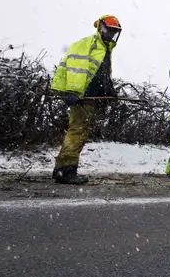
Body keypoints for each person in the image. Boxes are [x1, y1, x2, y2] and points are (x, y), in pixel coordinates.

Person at [50, 14, 122, 184]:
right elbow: (77, 67)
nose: (111, 35)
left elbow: (101, 74)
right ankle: (66, 171)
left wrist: (109, 92)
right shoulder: (88, 44)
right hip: (82, 97)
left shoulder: (105, 49)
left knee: (81, 133)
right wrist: (72, 91)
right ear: (101, 28)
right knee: (77, 132)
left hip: (93, 98)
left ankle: (61, 170)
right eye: (109, 31)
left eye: (114, 32)